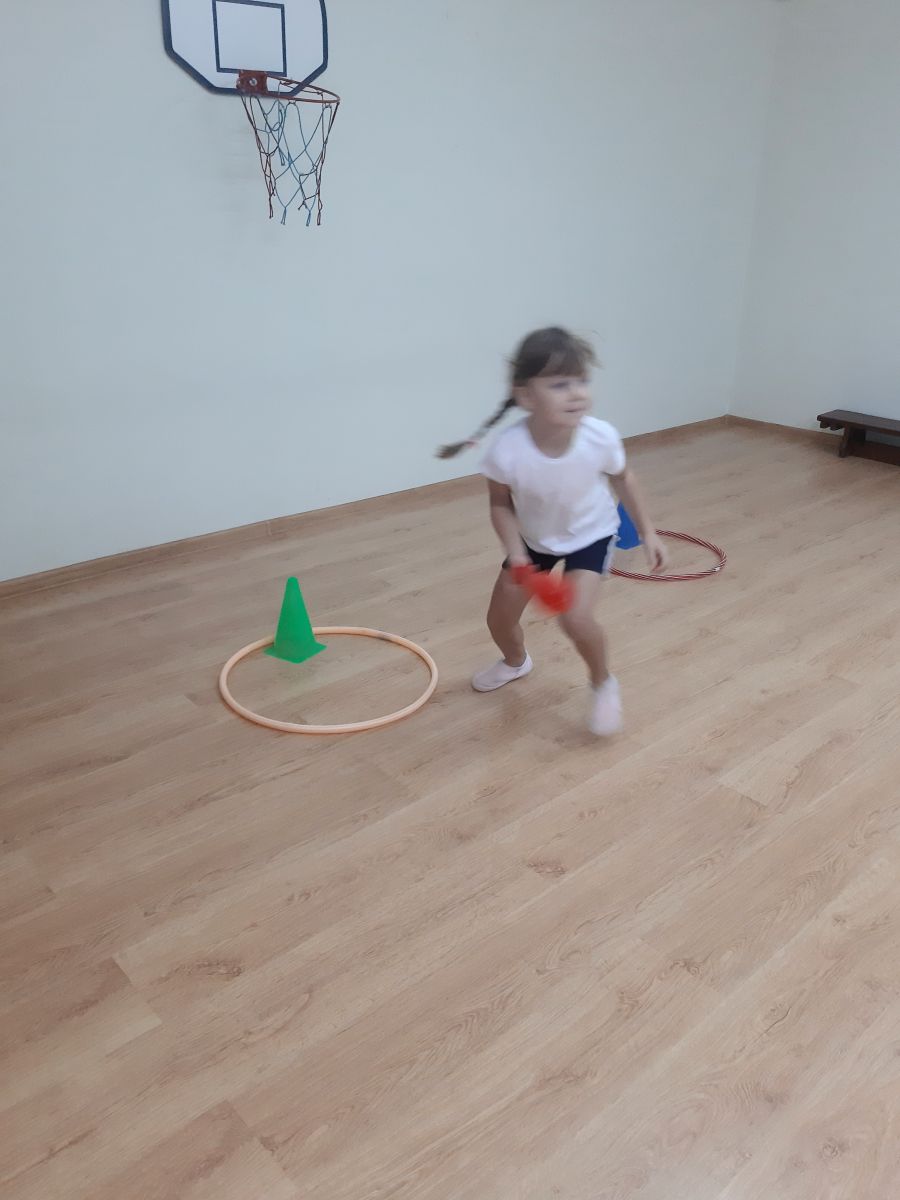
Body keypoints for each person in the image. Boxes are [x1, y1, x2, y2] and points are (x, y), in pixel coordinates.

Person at [438, 327, 669, 735]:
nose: (576, 393)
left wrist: (648, 532)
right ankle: (516, 663)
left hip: (592, 536)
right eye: (560, 384)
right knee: (498, 620)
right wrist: (516, 552)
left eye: (582, 380)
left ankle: (603, 683)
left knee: (574, 619)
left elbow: (624, 478)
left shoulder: (600, 437)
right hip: (533, 542)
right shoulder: (507, 450)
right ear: (526, 396)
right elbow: (499, 504)